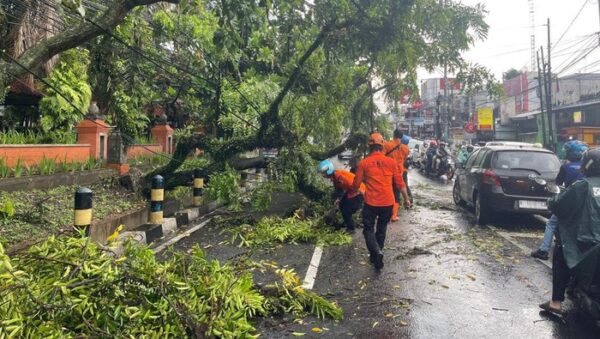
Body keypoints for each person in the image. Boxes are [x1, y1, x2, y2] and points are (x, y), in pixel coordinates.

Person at [539, 148, 600, 315]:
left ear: (588, 165)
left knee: (561, 254)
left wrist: (552, 200)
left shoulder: (583, 185)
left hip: (586, 241)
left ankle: (556, 303)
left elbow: (558, 205)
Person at [352, 133, 411, 270]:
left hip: (371, 202)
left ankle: (376, 252)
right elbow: (400, 183)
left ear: (369, 146)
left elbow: (356, 184)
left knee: (368, 229)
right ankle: (377, 253)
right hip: (388, 203)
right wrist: (406, 199)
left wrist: (356, 191)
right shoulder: (391, 163)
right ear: (382, 145)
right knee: (382, 228)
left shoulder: (363, 163)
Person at [531, 140, 588, 260]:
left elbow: (558, 184)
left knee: (551, 223)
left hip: (568, 202)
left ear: (571, 153)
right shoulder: (587, 168)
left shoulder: (566, 167)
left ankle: (543, 250)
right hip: (586, 204)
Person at [317, 159, 365, 234]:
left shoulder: (340, 176)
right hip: (351, 191)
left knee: (346, 210)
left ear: (328, 170)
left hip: (358, 191)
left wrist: (365, 196)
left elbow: (354, 184)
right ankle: (346, 222)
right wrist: (338, 199)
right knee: (342, 205)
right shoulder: (335, 177)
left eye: (323, 173)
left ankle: (351, 228)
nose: (323, 175)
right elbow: (339, 189)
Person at [383, 130, 410, 221]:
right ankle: (394, 215)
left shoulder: (387, 144)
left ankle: (383, 213)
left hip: (388, 173)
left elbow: (382, 157)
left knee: (386, 192)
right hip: (399, 173)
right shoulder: (406, 148)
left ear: (393, 135)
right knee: (396, 193)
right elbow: (405, 159)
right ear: (401, 136)